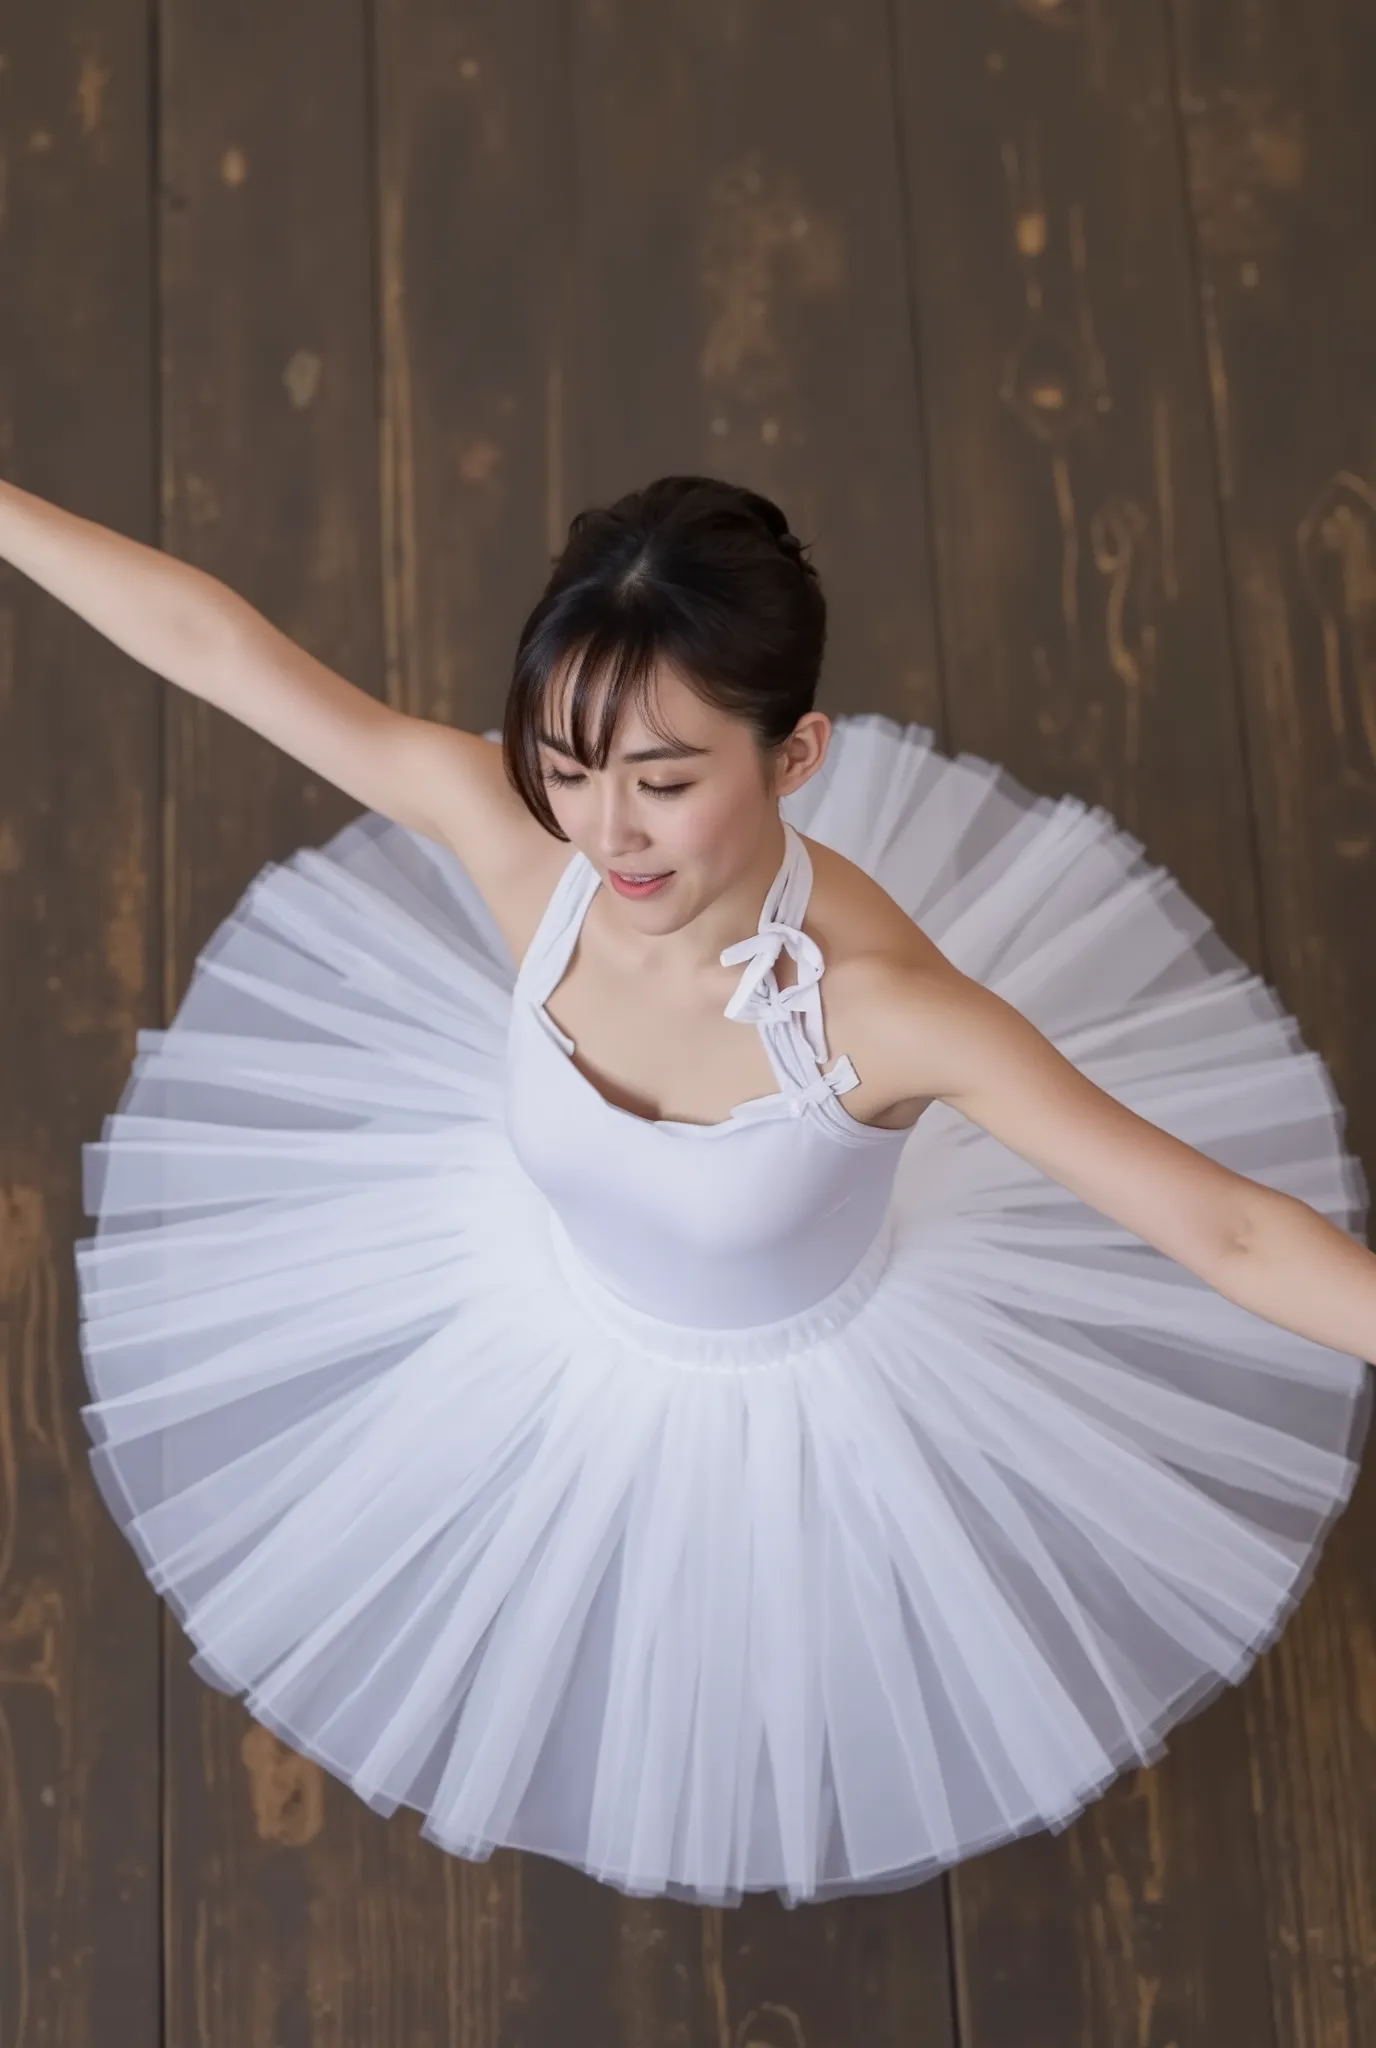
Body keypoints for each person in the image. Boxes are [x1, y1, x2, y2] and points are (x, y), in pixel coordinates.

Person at [3, 470, 1372, 1910]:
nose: (609, 834)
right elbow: (223, 651)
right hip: (540, 1303)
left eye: (664, 783)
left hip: (812, 1375)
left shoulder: (894, 1016)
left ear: (796, 757)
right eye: (569, 766)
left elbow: (1226, 1226)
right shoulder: (524, 845)